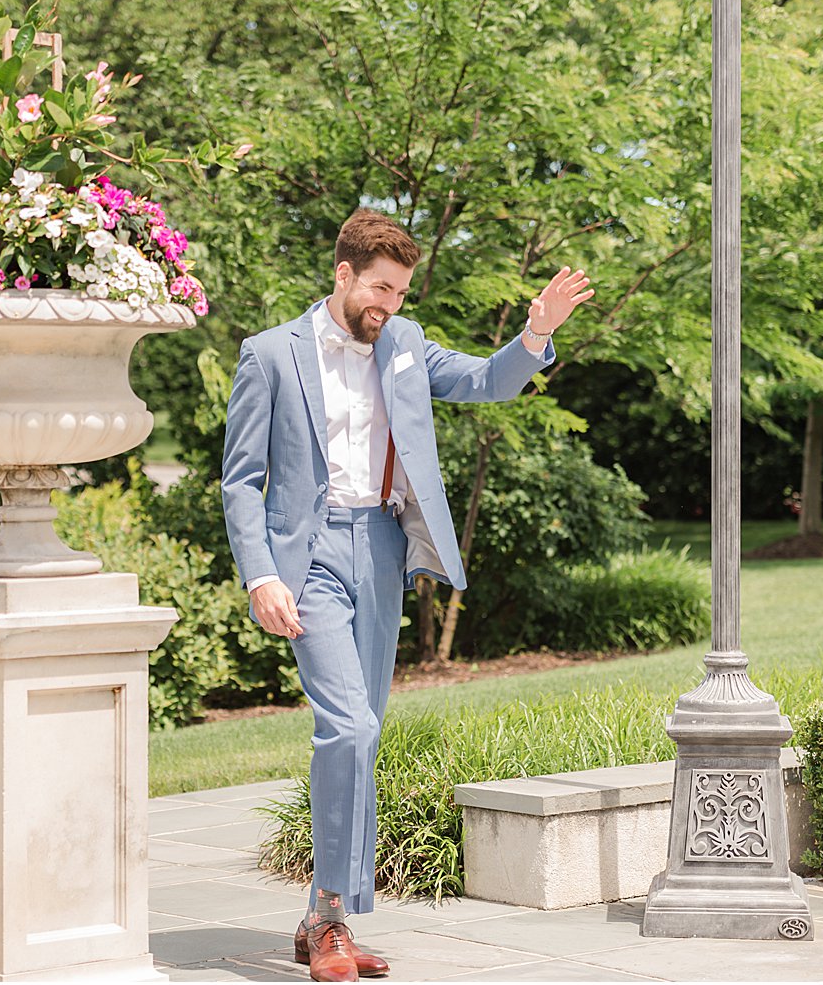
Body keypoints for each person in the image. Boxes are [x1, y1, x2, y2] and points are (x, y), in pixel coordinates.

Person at [221, 208, 593, 982]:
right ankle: (329, 916)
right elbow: (239, 480)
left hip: (381, 549)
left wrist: (535, 334)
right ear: (344, 273)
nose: (388, 303)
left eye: (400, 290)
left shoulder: (405, 344)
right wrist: (260, 574)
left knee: (367, 731)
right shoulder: (268, 356)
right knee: (348, 727)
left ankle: (326, 917)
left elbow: (488, 382)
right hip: (308, 555)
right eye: (380, 287)